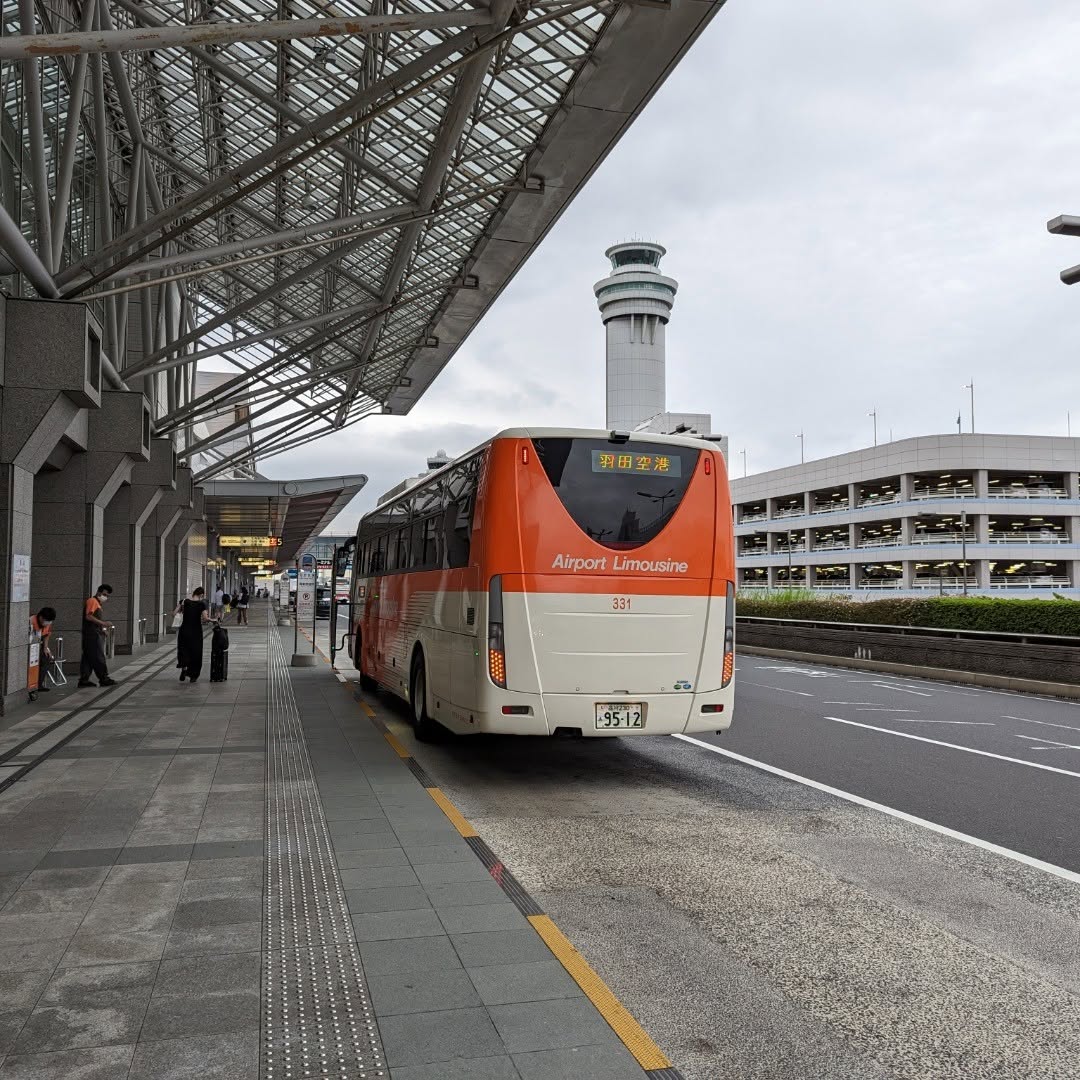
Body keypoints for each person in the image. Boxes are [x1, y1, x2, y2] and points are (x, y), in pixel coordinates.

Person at [78, 584, 116, 688]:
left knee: (88, 657)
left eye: (107, 595)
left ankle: (84, 680)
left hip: (93, 633)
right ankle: (104, 678)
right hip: (92, 634)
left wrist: (102, 629)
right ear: (98, 592)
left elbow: (94, 619)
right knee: (98, 656)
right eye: (104, 594)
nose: (105, 597)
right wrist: (104, 624)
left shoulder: (97, 603)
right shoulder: (92, 601)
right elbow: (88, 616)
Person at [175, 587, 210, 682]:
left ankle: (184, 669)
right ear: (201, 595)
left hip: (184, 630)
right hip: (196, 631)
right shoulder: (201, 604)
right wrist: (213, 620)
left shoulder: (184, 601)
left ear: (194, 593)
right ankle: (193, 675)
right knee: (195, 652)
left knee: (183, 649)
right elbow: (205, 618)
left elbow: (174, 613)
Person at [30, 606, 56, 692]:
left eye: (50, 621)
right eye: (47, 620)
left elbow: (46, 635)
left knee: (46, 658)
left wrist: (45, 649)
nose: (48, 623)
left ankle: (39, 684)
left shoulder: (47, 623)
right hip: (30, 645)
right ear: (41, 617)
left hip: (39, 645)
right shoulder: (31, 621)